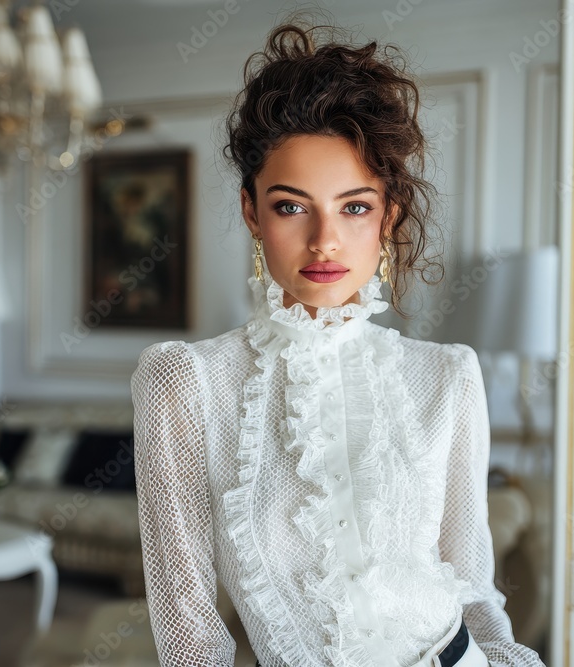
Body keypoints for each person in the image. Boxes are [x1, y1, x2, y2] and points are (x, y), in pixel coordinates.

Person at [130, 16, 546, 667]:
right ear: (251, 211)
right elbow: (188, 625)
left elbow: (472, 581)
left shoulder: (447, 375)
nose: (324, 240)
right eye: (291, 206)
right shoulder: (184, 381)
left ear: (388, 216)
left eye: (354, 206)